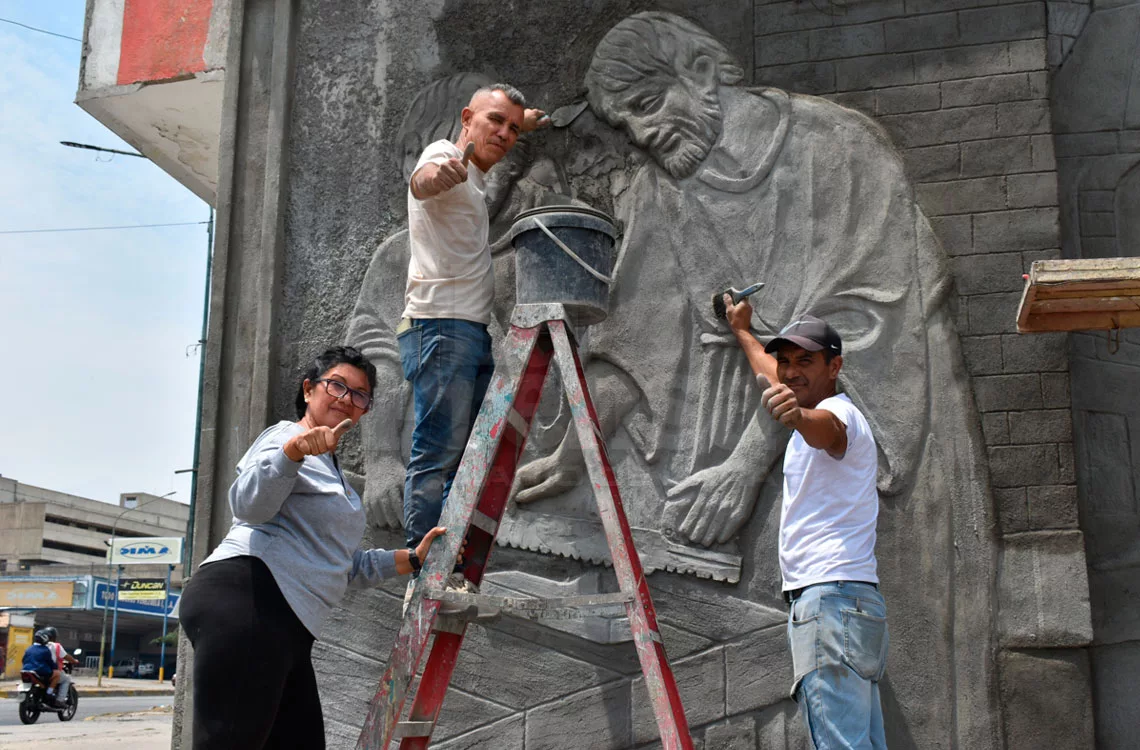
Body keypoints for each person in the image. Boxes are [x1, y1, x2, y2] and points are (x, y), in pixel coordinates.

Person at [179, 345, 447, 749]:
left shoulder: (336, 475)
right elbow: (248, 505)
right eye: (336, 386)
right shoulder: (286, 436)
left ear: (364, 411)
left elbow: (342, 565)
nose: (346, 399)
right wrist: (293, 454)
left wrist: (412, 558)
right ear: (309, 390)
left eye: (359, 395)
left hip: (287, 623)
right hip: (250, 596)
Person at [726, 298, 888, 749]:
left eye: (806, 361)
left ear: (834, 366)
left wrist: (796, 416)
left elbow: (826, 430)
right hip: (852, 603)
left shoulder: (840, 416)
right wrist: (741, 329)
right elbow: (768, 368)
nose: (792, 371)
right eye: (786, 361)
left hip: (828, 604)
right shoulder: (801, 392)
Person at [398, 84, 546, 577]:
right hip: (441, 326)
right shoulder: (444, 155)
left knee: (466, 458)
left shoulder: (480, 170)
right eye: (494, 122)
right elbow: (423, 180)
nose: (503, 133)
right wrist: (434, 176)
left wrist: (528, 120)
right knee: (437, 453)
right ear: (466, 117)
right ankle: (423, 569)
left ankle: (450, 563)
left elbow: (513, 121)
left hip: (468, 330)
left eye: (511, 128)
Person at [21, 630, 66, 708]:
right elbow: (51, 663)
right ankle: (49, 693)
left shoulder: (29, 648)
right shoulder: (45, 650)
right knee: (57, 674)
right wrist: (55, 668)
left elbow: (23, 660)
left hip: (26, 670)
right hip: (41, 672)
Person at [42, 626, 77, 704]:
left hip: (37, 671)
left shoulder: (39, 644)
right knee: (66, 679)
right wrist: (74, 661)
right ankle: (60, 700)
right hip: (50, 671)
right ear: (54, 637)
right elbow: (66, 656)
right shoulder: (56, 646)